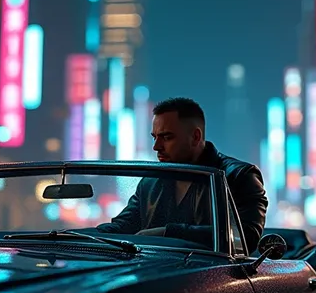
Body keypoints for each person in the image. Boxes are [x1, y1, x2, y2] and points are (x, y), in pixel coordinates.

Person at [97, 97, 268, 253]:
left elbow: (246, 237)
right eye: (155, 137)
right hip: (155, 273)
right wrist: (82, 235)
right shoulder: (151, 181)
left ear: (195, 137)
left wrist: (169, 232)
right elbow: (124, 225)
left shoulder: (239, 176)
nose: (156, 146)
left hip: (211, 277)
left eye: (167, 137)